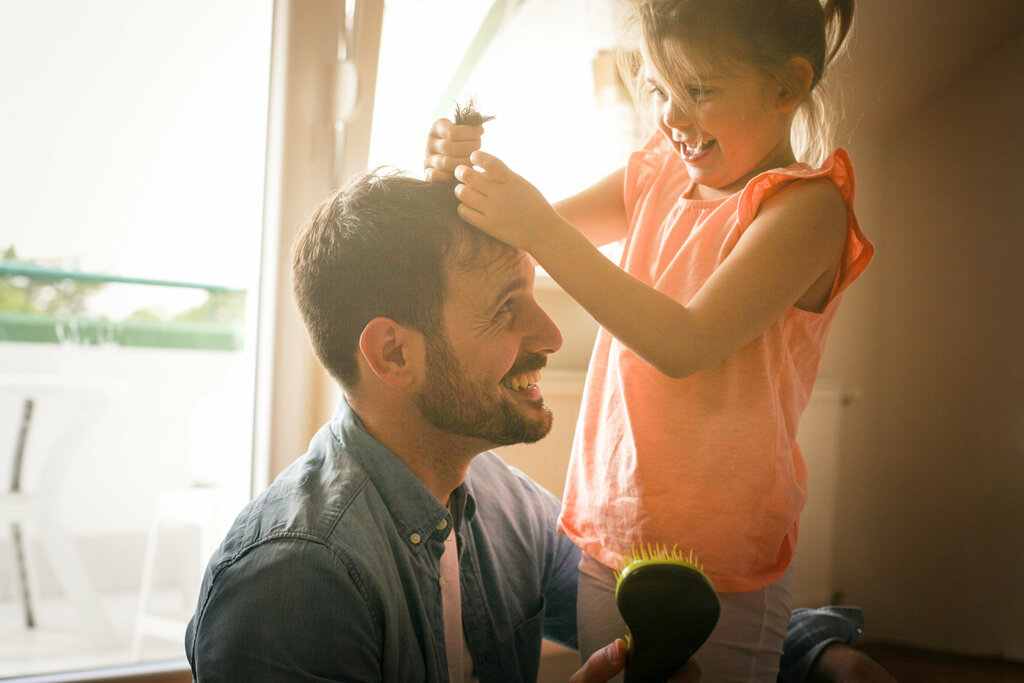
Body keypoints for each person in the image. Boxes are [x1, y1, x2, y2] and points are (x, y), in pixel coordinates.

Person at [424, 0, 875, 679]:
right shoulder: (661, 170)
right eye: (662, 89)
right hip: (612, 529)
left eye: (699, 90)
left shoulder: (806, 209)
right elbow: (522, 234)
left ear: (787, 86)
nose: (672, 116)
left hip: (722, 559)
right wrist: (456, 174)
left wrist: (540, 226)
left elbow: (685, 342)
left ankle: (821, 652)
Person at [183, 170, 699, 682]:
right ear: (394, 353)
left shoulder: (506, 505)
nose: (551, 336)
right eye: (504, 309)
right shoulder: (292, 581)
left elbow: (647, 622)